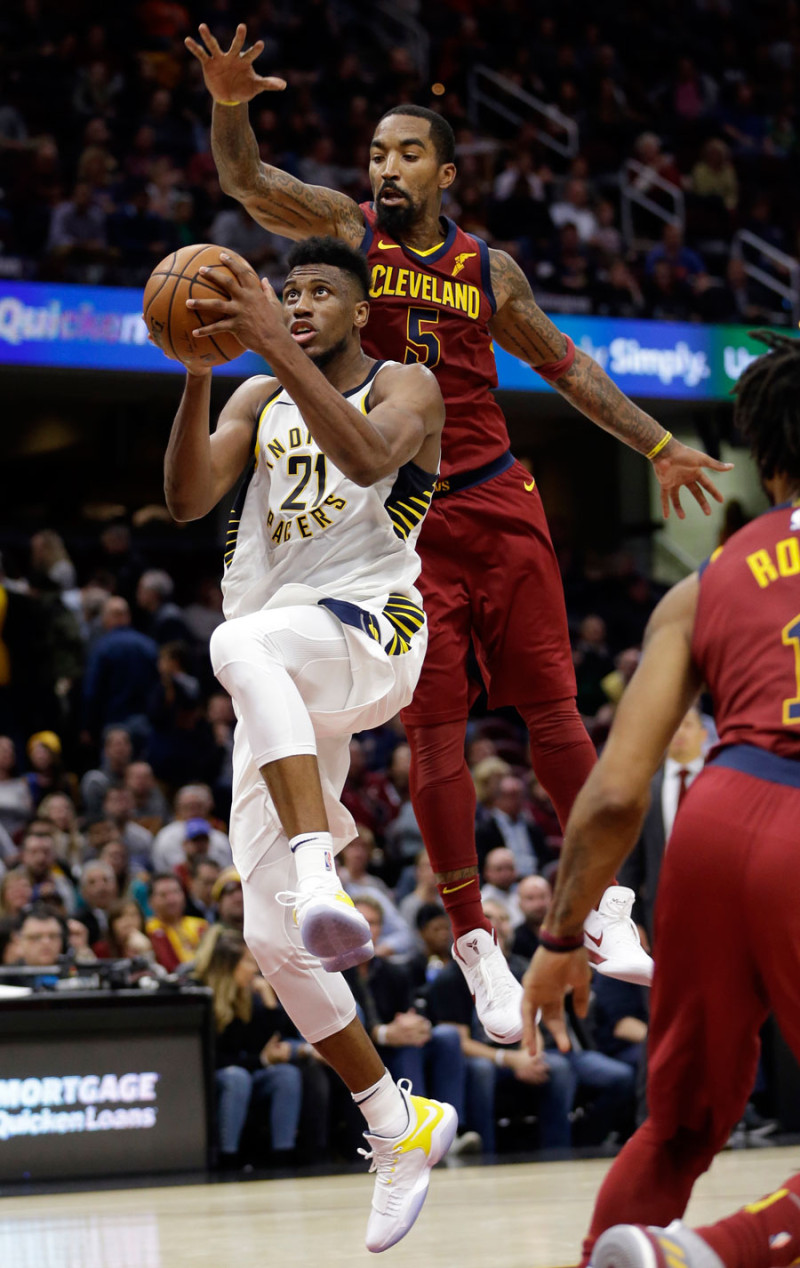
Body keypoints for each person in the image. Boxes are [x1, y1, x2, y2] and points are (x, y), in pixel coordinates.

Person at [187, 23, 732, 1041]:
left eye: (404, 152)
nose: (384, 167)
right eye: (375, 153)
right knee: (433, 731)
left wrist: (657, 442)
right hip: (400, 515)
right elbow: (246, 180)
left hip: (498, 495)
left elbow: (565, 366)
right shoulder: (349, 232)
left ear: (444, 169)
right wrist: (229, 102)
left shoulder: (492, 267)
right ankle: (473, 938)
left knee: (555, 713)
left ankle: (606, 907)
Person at [160, 232, 454, 1252]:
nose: (295, 306)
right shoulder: (256, 400)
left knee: (236, 637)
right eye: (285, 293)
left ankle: (322, 862)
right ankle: (394, 1118)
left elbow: (372, 457)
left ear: (359, 310)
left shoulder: (405, 384)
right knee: (275, 944)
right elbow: (187, 497)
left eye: (317, 292)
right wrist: (202, 372)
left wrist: (264, 346)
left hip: (370, 632)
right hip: (276, 677)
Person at [521, 330, 800, 1268]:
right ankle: (708, 1254)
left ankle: (618, 1254)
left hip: (719, 815)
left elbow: (609, 796)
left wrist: (562, 940)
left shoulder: (702, 585)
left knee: (679, 1124)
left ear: (766, 461)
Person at [618, 705, 708, 947]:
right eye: (673, 726)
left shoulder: (721, 786)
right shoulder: (644, 791)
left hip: (716, 906)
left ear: (703, 734)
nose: (679, 731)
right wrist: (632, 919)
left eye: (687, 724)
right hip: (660, 910)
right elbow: (630, 864)